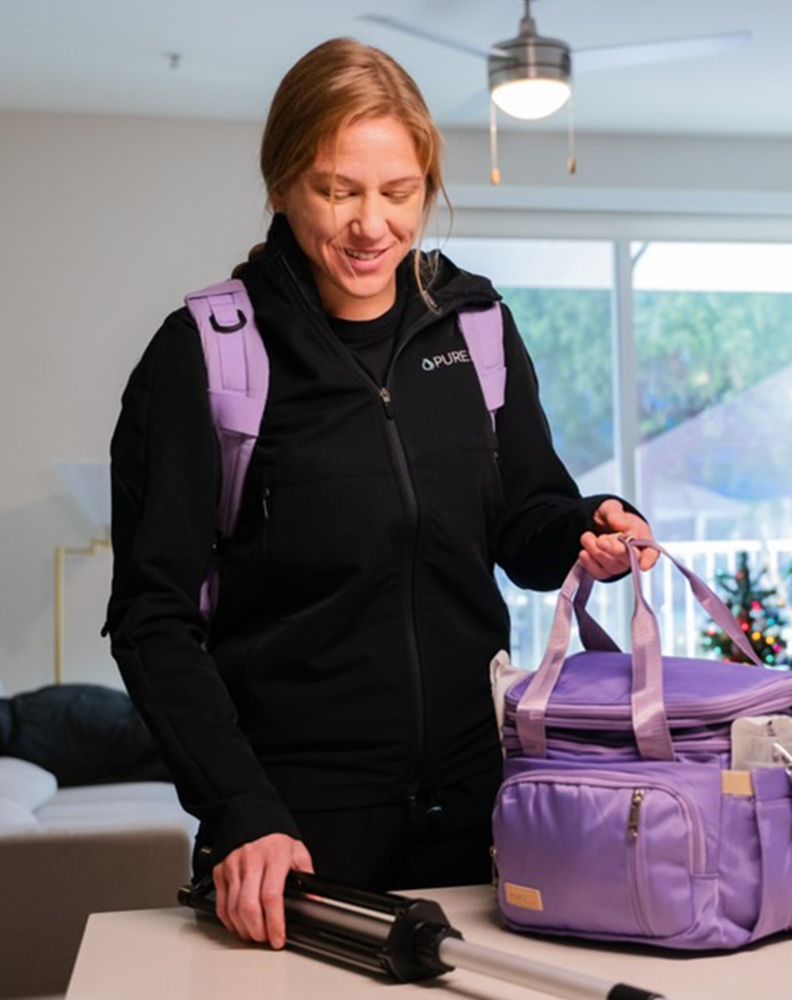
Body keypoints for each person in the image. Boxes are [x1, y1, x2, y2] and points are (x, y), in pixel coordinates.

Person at [106, 37, 655, 953]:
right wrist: (243, 813)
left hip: (483, 809)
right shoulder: (202, 354)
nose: (372, 225)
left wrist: (583, 528)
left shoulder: (476, 328)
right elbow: (152, 619)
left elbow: (524, 520)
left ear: (427, 186)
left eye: (397, 193)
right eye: (338, 189)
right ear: (283, 183)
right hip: (296, 837)